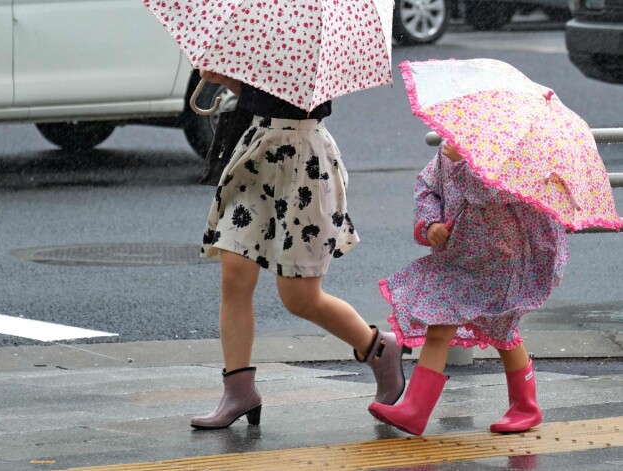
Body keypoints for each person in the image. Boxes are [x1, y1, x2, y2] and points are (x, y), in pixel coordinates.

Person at [191, 70, 410, 430]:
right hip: (256, 151)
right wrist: (225, 77)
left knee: (299, 297)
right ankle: (239, 391)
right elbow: (259, 96)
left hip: (306, 162)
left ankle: (379, 349)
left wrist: (238, 80)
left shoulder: (312, 37)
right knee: (234, 274)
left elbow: (295, 94)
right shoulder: (260, 28)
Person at [368, 142, 569, 436]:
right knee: (438, 325)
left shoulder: (511, 153)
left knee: (502, 331)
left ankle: (525, 406)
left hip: (500, 261)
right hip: (458, 258)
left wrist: (465, 163)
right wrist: (431, 223)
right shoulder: (449, 149)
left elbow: (492, 194)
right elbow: (428, 185)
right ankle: (415, 409)